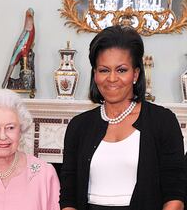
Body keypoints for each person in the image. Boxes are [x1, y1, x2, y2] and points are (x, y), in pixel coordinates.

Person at [60, 25, 185, 210]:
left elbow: (175, 194)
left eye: (121, 70)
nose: (112, 78)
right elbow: (68, 197)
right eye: (103, 70)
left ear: (135, 74)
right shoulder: (78, 126)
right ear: (95, 74)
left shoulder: (163, 122)